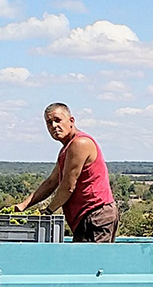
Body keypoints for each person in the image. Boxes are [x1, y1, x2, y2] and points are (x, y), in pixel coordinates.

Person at [15, 103, 119, 242]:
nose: (53, 126)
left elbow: (68, 186)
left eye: (57, 120)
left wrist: (48, 211)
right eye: (49, 123)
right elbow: (52, 182)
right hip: (85, 217)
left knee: (92, 262)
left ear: (71, 121)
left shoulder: (80, 143)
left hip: (95, 215)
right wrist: (23, 205)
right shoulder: (67, 149)